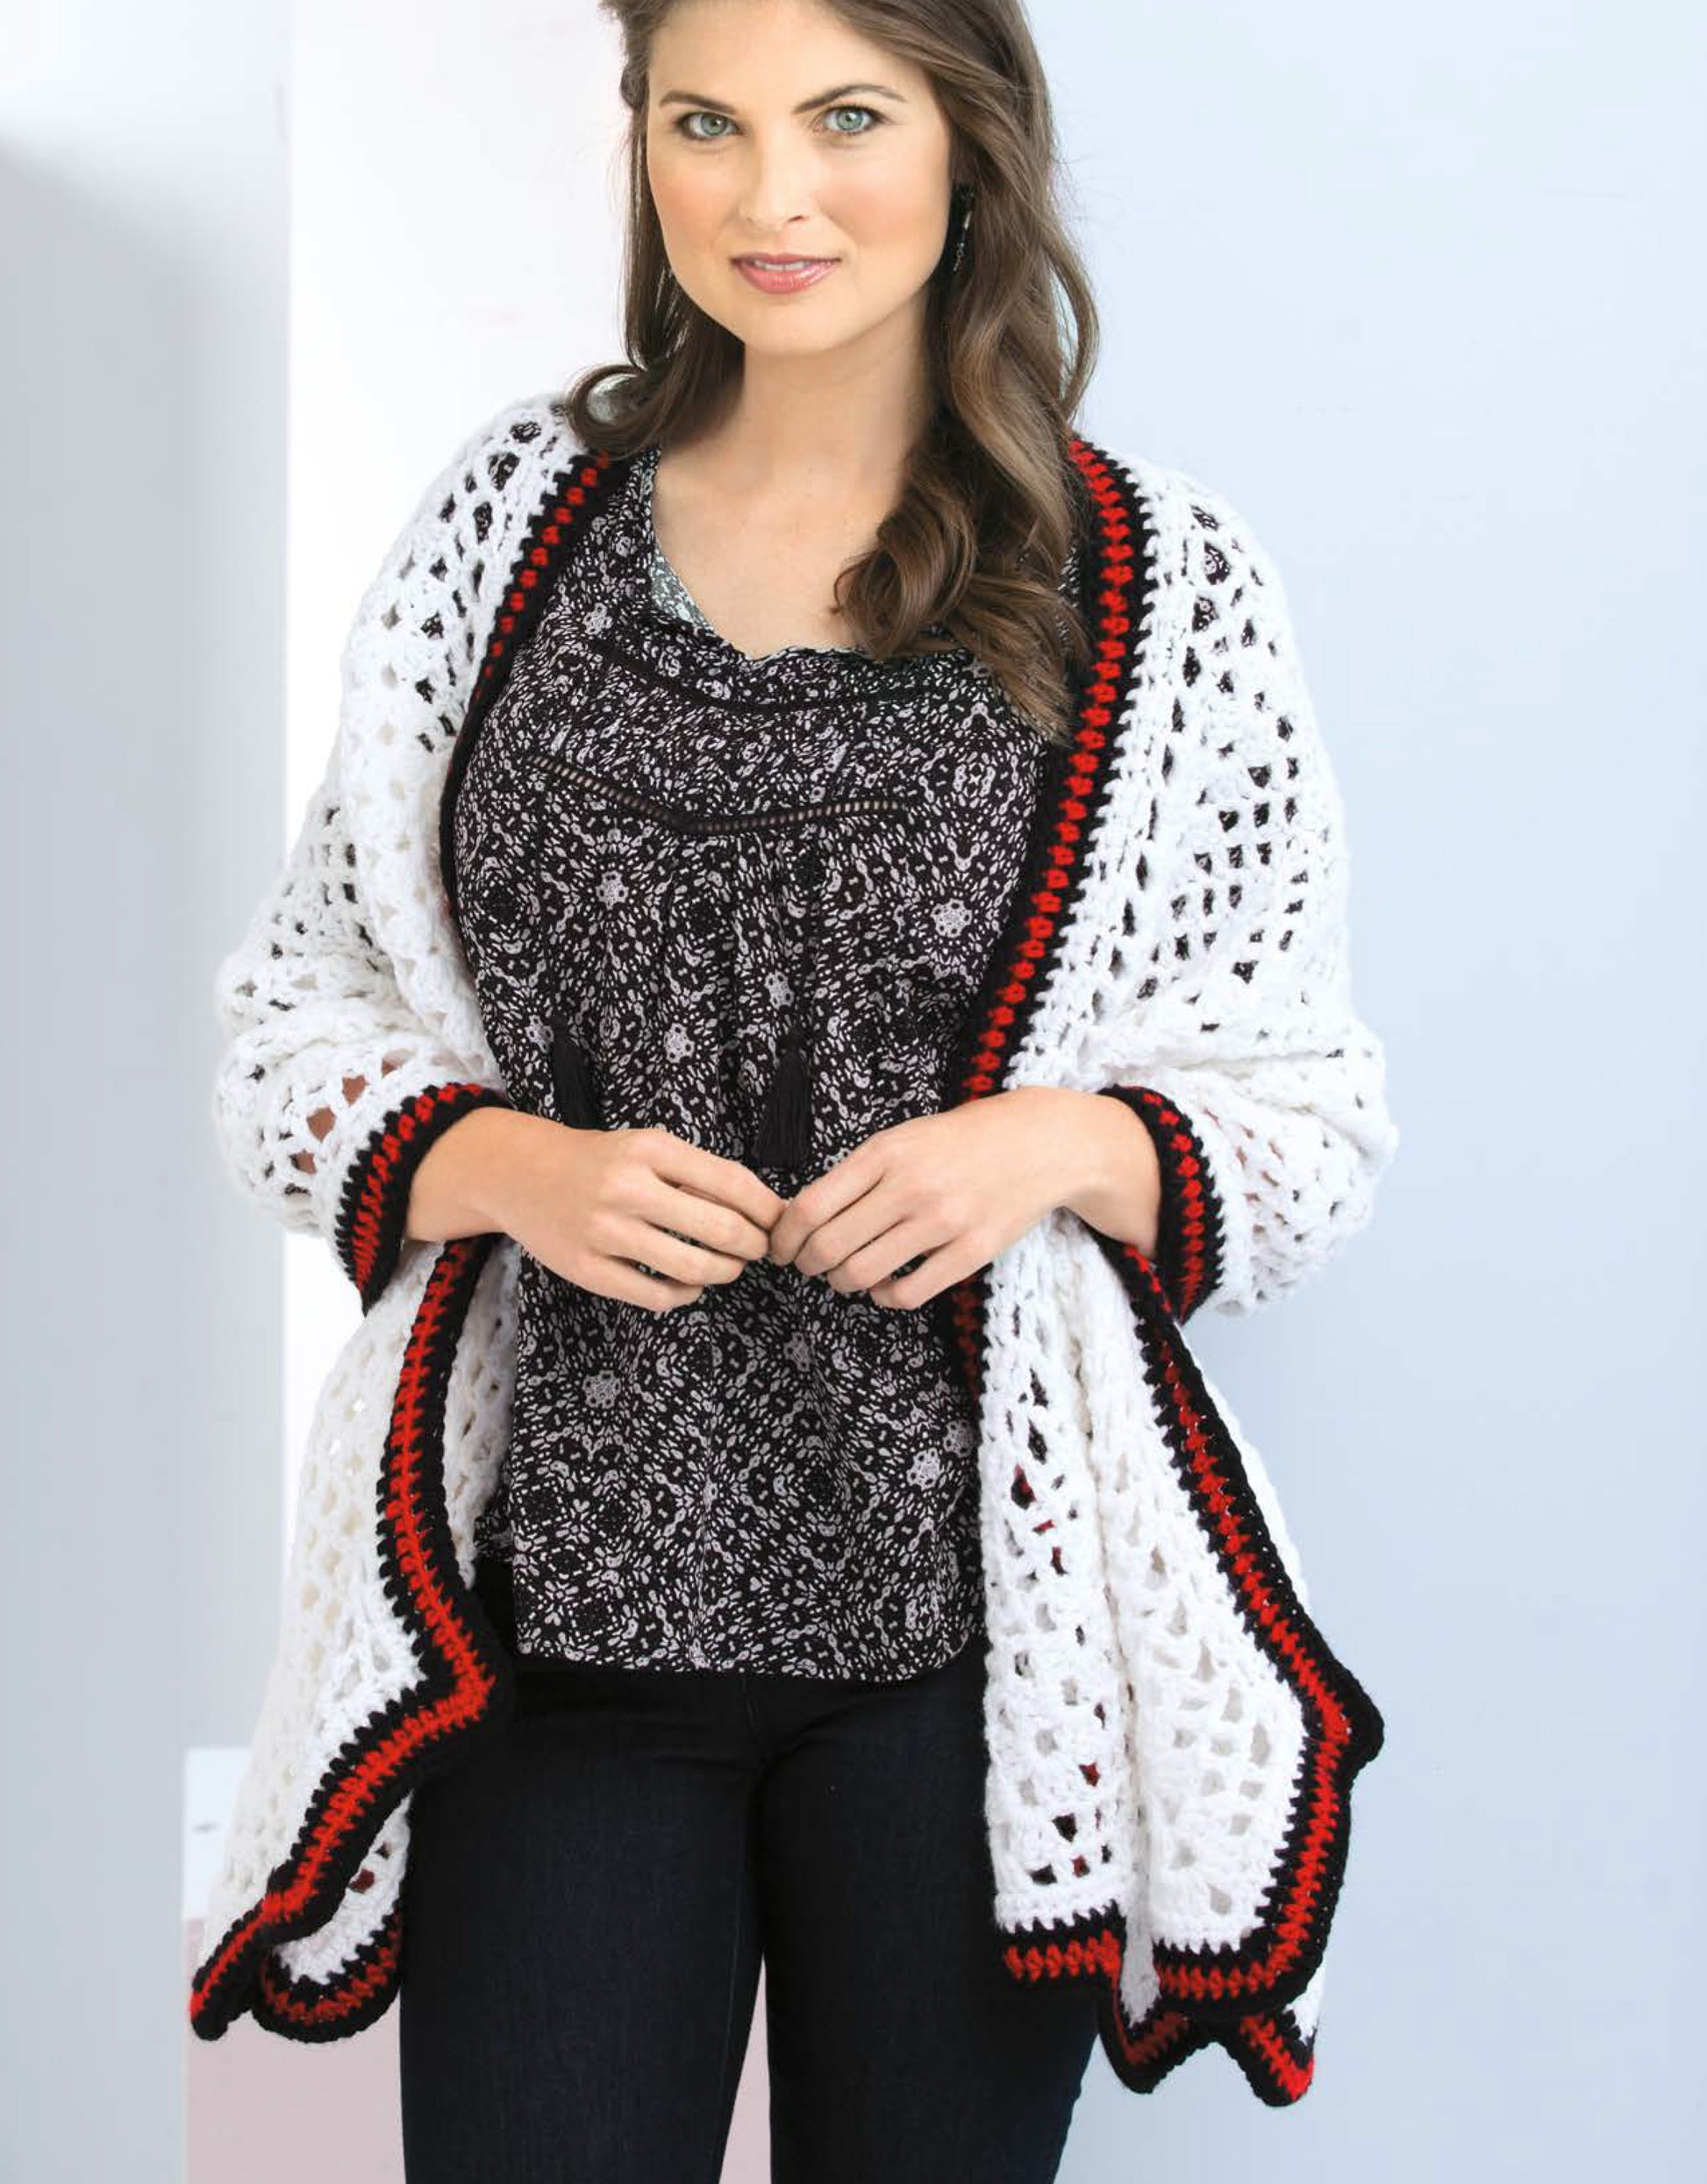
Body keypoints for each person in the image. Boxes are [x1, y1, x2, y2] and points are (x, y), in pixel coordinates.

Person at [191, 0, 1400, 2164]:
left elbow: (1303, 1126)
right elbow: (297, 1019)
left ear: (971, 147)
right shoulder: (510, 531)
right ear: (639, 143)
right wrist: (494, 1164)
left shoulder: (1157, 582)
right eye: (705, 123)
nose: (771, 195)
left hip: (968, 1665)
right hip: (554, 1630)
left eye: (847, 120)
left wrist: (1061, 1141)